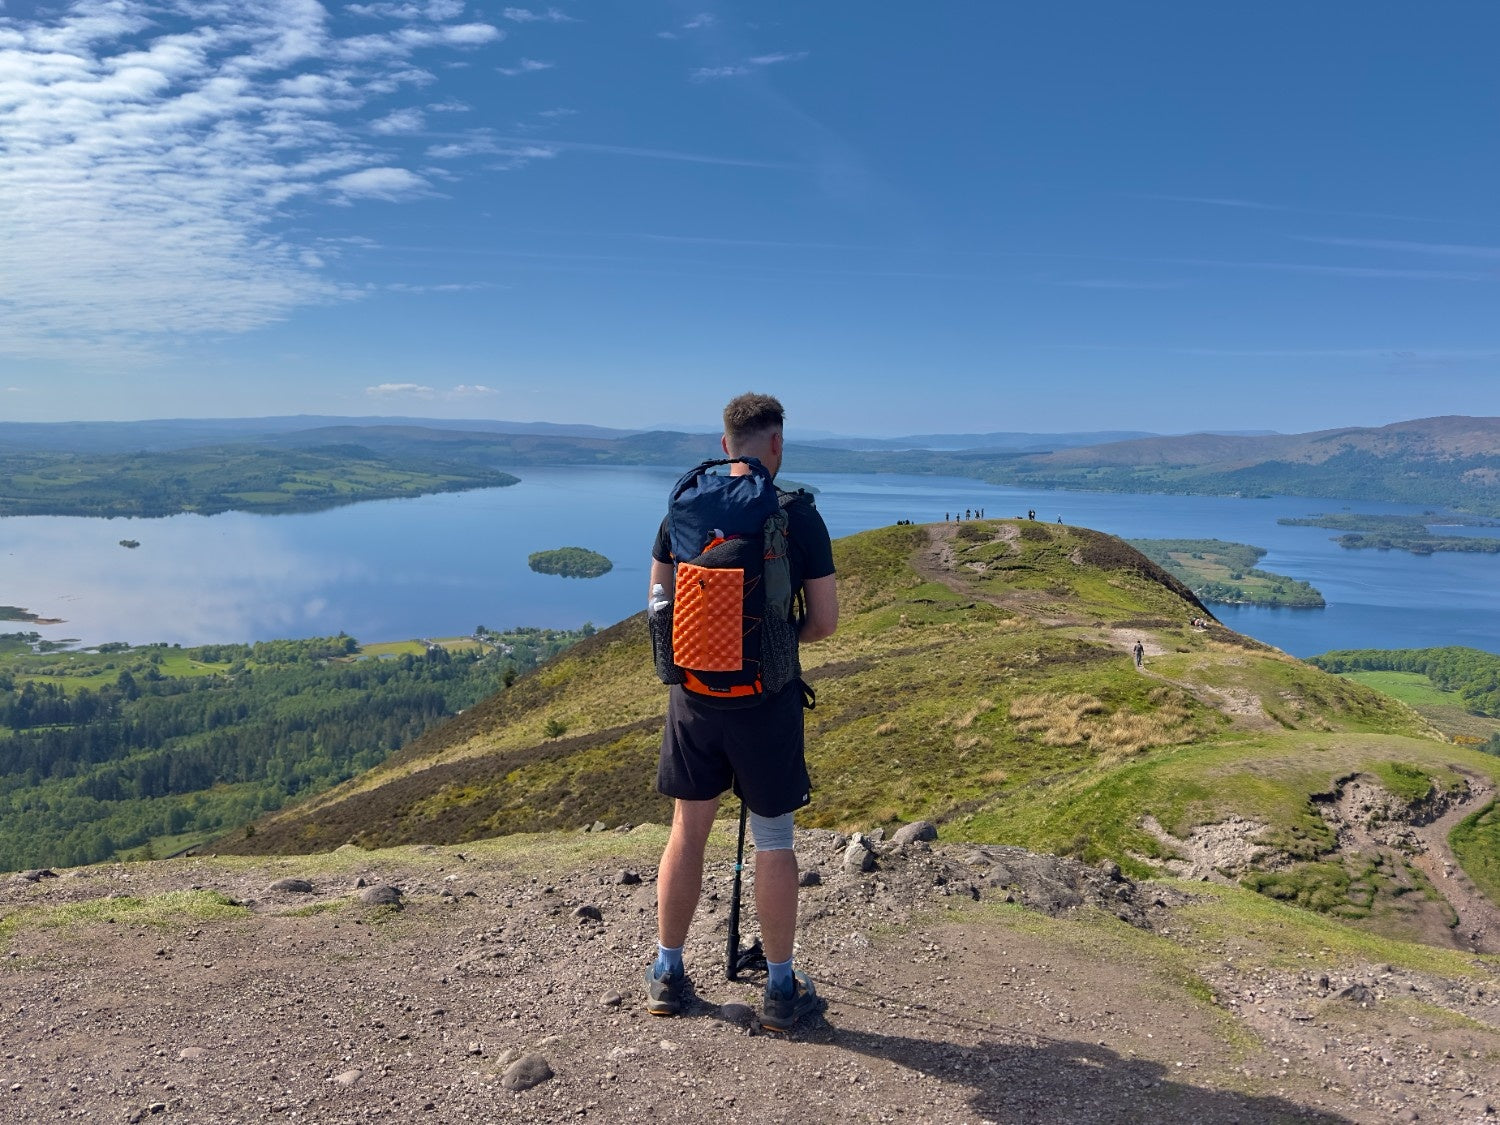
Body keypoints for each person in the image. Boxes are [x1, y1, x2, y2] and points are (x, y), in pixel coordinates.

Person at [644, 392, 839, 1032]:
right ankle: (781, 990)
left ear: (725, 443)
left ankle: (668, 973)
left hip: (694, 698)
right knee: (774, 840)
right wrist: (778, 644)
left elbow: (659, 605)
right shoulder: (797, 516)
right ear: (776, 445)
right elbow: (826, 622)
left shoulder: (684, 509)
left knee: (686, 831)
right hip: (766, 701)